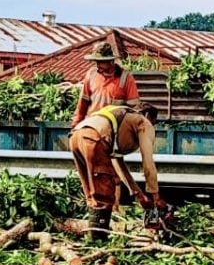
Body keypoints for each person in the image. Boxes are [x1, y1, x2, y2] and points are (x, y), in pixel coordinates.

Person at [70, 103, 164, 240]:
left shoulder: (121, 116)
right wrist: (156, 196)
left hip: (76, 137)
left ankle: (93, 238)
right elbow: (148, 162)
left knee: (92, 194)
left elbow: (117, 162)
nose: (152, 127)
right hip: (94, 139)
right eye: (153, 123)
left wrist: (139, 194)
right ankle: (98, 241)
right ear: (148, 115)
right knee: (105, 192)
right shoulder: (143, 122)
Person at [70, 42, 140, 126]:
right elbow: (82, 103)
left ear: (111, 61)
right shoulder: (91, 74)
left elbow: (134, 108)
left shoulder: (126, 78)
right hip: (91, 123)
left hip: (114, 126)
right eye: (97, 61)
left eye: (101, 62)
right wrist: (76, 123)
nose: (98, 65)